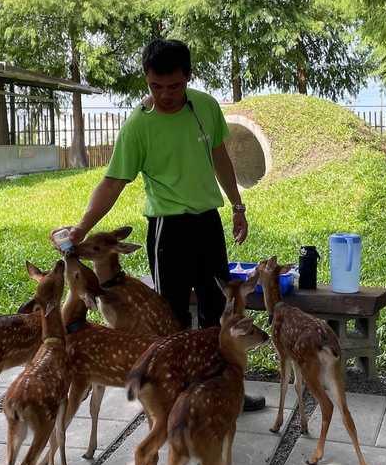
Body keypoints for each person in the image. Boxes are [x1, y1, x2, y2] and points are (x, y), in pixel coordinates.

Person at [57, 39, 265, 411]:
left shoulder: (205, 106)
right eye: (156, 86)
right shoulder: (139, 125)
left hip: (207, 223)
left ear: (188, 76)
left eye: (174, 86)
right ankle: (176, 391)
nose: (165, 95)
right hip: (167, 229)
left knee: (221, 308)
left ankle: (223, 384)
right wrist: (83, 227)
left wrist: (237, 206)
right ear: (146, 80)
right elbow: (113, 181)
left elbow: (220, 155)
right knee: (171, 312)